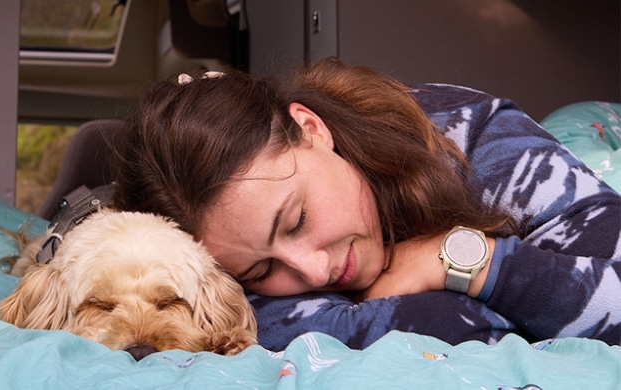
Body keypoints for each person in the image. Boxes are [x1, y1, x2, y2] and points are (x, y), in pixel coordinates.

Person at [113, 57, 621, 351]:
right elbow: (465, 331)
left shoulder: (473, 136)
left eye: (298, 220)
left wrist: (468, 260)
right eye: (264, 268)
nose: (312, 271)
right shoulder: (223, 259)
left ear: (312, 129)